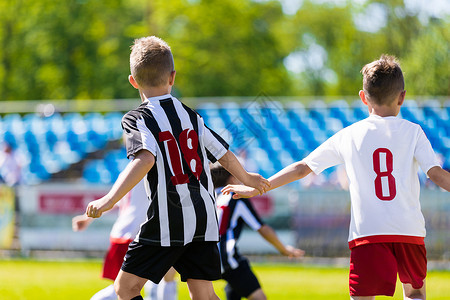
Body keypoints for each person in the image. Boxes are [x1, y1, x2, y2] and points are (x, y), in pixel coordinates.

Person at [222, 55, 450, 300]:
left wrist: (259, 188)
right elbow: (436, 174)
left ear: (363, 98)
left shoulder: (350, 135)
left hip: (368, 233)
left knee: (362, 296)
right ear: (402, 97)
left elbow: (302, 168)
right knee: (415, 293)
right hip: (409, 230)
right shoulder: (414, 132)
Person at [84, 36, 270, 300]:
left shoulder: (139, 118)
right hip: (204, 219)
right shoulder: (192, 116)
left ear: (133, 81)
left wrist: (108, 199)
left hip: (167, 219)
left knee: (125, 288)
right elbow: (224, 155)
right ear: (173, 77)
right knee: (204, 294)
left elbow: (145, 158)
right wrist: (248, 176)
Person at [211, 163, 303, 300]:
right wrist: (284, 249)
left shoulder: (210, 197)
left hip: (208, 255)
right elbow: (262, 228)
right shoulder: (236, 198)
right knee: (259, 297)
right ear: (232, 179)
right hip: (226, 257)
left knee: (232, 283)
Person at [73, 179, 178, 300]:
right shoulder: (147, 167)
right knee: (123, 288)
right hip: (136, 236)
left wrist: (86, 219)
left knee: (160, 277)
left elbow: (113, 198)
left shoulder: (129, 171)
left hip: (128, 235)